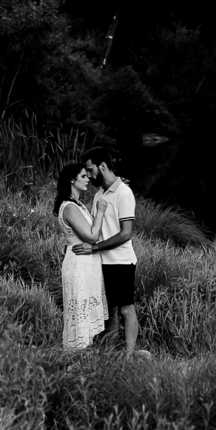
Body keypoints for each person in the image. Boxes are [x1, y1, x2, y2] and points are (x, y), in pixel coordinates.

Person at [73, 147, 142, 355]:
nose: (90, 174)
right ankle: (109, 356)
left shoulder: (124, 193)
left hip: (121, 262)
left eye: (91, 169)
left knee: (125, 308)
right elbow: (95, 227)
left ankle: (129, 358)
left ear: (102, 166)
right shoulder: (99, 195)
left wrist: (94, 248)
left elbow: (125, 234)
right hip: (101, 263)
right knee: (108, 312)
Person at [53, 162, 108, 349]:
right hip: (78, 264)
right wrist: (100, 212)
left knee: (87, 312)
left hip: (88, 265)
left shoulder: (78, 205)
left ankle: (84, 360)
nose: (88, 179)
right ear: (71, 179)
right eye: (83, 176)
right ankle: (75, 360)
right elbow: (91, 236)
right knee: (79, 313)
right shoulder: (69, 207)